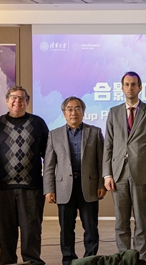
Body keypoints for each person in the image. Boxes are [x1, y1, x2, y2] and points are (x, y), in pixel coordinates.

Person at [0, 86, 49, 265]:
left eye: (22, 98)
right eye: (13, 98)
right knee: (6, 231)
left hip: (32, 187)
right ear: (7, 101)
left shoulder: (38, 123)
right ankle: (7, 262)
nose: (17, 102)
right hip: (3, 187)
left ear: (27, 102)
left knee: (32, 230)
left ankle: (32, 261)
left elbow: (48, 154)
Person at [104, 71, 146, 259]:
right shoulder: (113, 112)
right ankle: (124, 258)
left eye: (134, 84)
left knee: (141, 220)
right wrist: (107, 174)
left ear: (140, 87)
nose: (130, 87)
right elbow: (108, 145)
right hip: (118, 174)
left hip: (142, 174)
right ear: (122, 88)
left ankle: (139, 259)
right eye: (127, 84)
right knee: (121, 222)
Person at [43, 96, 105, 265]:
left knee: (91, 228)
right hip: (64, 187)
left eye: (77, 108)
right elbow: (49, 165)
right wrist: (49, 189)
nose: (73, 112)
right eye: (69, 109)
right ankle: (68, 260)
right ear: (64, 113)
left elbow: (101, 161)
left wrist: (101, 184)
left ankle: (90, 259)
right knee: (66, 229)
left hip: (89, 186)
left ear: (83, 111)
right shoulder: (54, 135)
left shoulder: (95, 132)